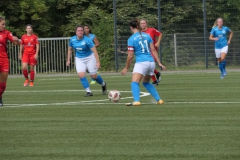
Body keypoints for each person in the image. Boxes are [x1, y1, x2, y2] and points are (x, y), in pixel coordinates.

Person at [121, 18, 166, 106]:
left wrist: (126, 67)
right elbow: (153, 50)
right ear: (138, 26)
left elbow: (130, 56)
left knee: (134, 82)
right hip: (151, 62)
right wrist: (159, 62)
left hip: (141, 63)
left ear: (131, 27)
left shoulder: (131, 39)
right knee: (145, 82)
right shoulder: (147, 35)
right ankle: (159, 100)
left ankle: (136, 101)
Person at [66, 25, 107, 97]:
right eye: (78, 31)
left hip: (90, 58)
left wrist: (98, 62)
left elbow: (95, 51)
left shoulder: (87, 40)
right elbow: (70, 49)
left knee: (93, 76)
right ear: (76, 32)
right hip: (79, 59)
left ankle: (103, 84)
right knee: (81, 75)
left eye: (81, 30)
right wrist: (68, 60)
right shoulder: (72, 40)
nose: (80, 32)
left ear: (83, 32)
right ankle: (88, 91)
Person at [0, 16, 19, 106]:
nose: (4, 26)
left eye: (5, 24)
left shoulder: (6, 33)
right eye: (2, 24)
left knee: (3, 86)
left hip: (4, 60)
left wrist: (16, 40)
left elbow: (15, 43)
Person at [140, 19, 162, 85]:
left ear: (146, 24)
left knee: (148, 65)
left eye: (144, 23)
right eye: (141, 23)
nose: (142, 24)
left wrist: (158, 42)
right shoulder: (140, 33)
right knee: (147, 66)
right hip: (146, 51)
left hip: (153, 50)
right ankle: (157, 73)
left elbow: (160, 34)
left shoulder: (151, 30)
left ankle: (155, 80)